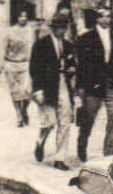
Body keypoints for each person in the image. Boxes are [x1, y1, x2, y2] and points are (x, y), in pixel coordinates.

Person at [73, 6, 113, 160]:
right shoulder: (86, 38)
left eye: (108, 16)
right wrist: (81, 87)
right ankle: (82, 142)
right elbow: (81, 65)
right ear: (97, 18)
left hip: (112, 83)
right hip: (93, 84)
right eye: (102, 16)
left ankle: (109, 153)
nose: (106, 19)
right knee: (89, 117)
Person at [30, 14, 78, 168]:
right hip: (47, 86)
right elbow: (34, 69)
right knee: (49, 122)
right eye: (60, 28)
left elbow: (72, 64)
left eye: (64, 28)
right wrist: (37, 90)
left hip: (64, 85)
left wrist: (72, 69)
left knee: (65, 121)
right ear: (53, 28)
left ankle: (60, 159)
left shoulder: (68, 45)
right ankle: (40, 140)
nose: (62, 31)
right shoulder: (41, 44)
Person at [0, 2, 39, 127]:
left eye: (25, 16)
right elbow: (2, 48)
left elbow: (35, 48)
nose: (23, 18)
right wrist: (0, 65)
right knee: (15, 92)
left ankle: (24, 109)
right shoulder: (9, 31)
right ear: (16, 18)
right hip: (11, 64)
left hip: (26, 64)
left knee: (28, 92)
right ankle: (19, 115)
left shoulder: (30, 31)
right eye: (20, 16)